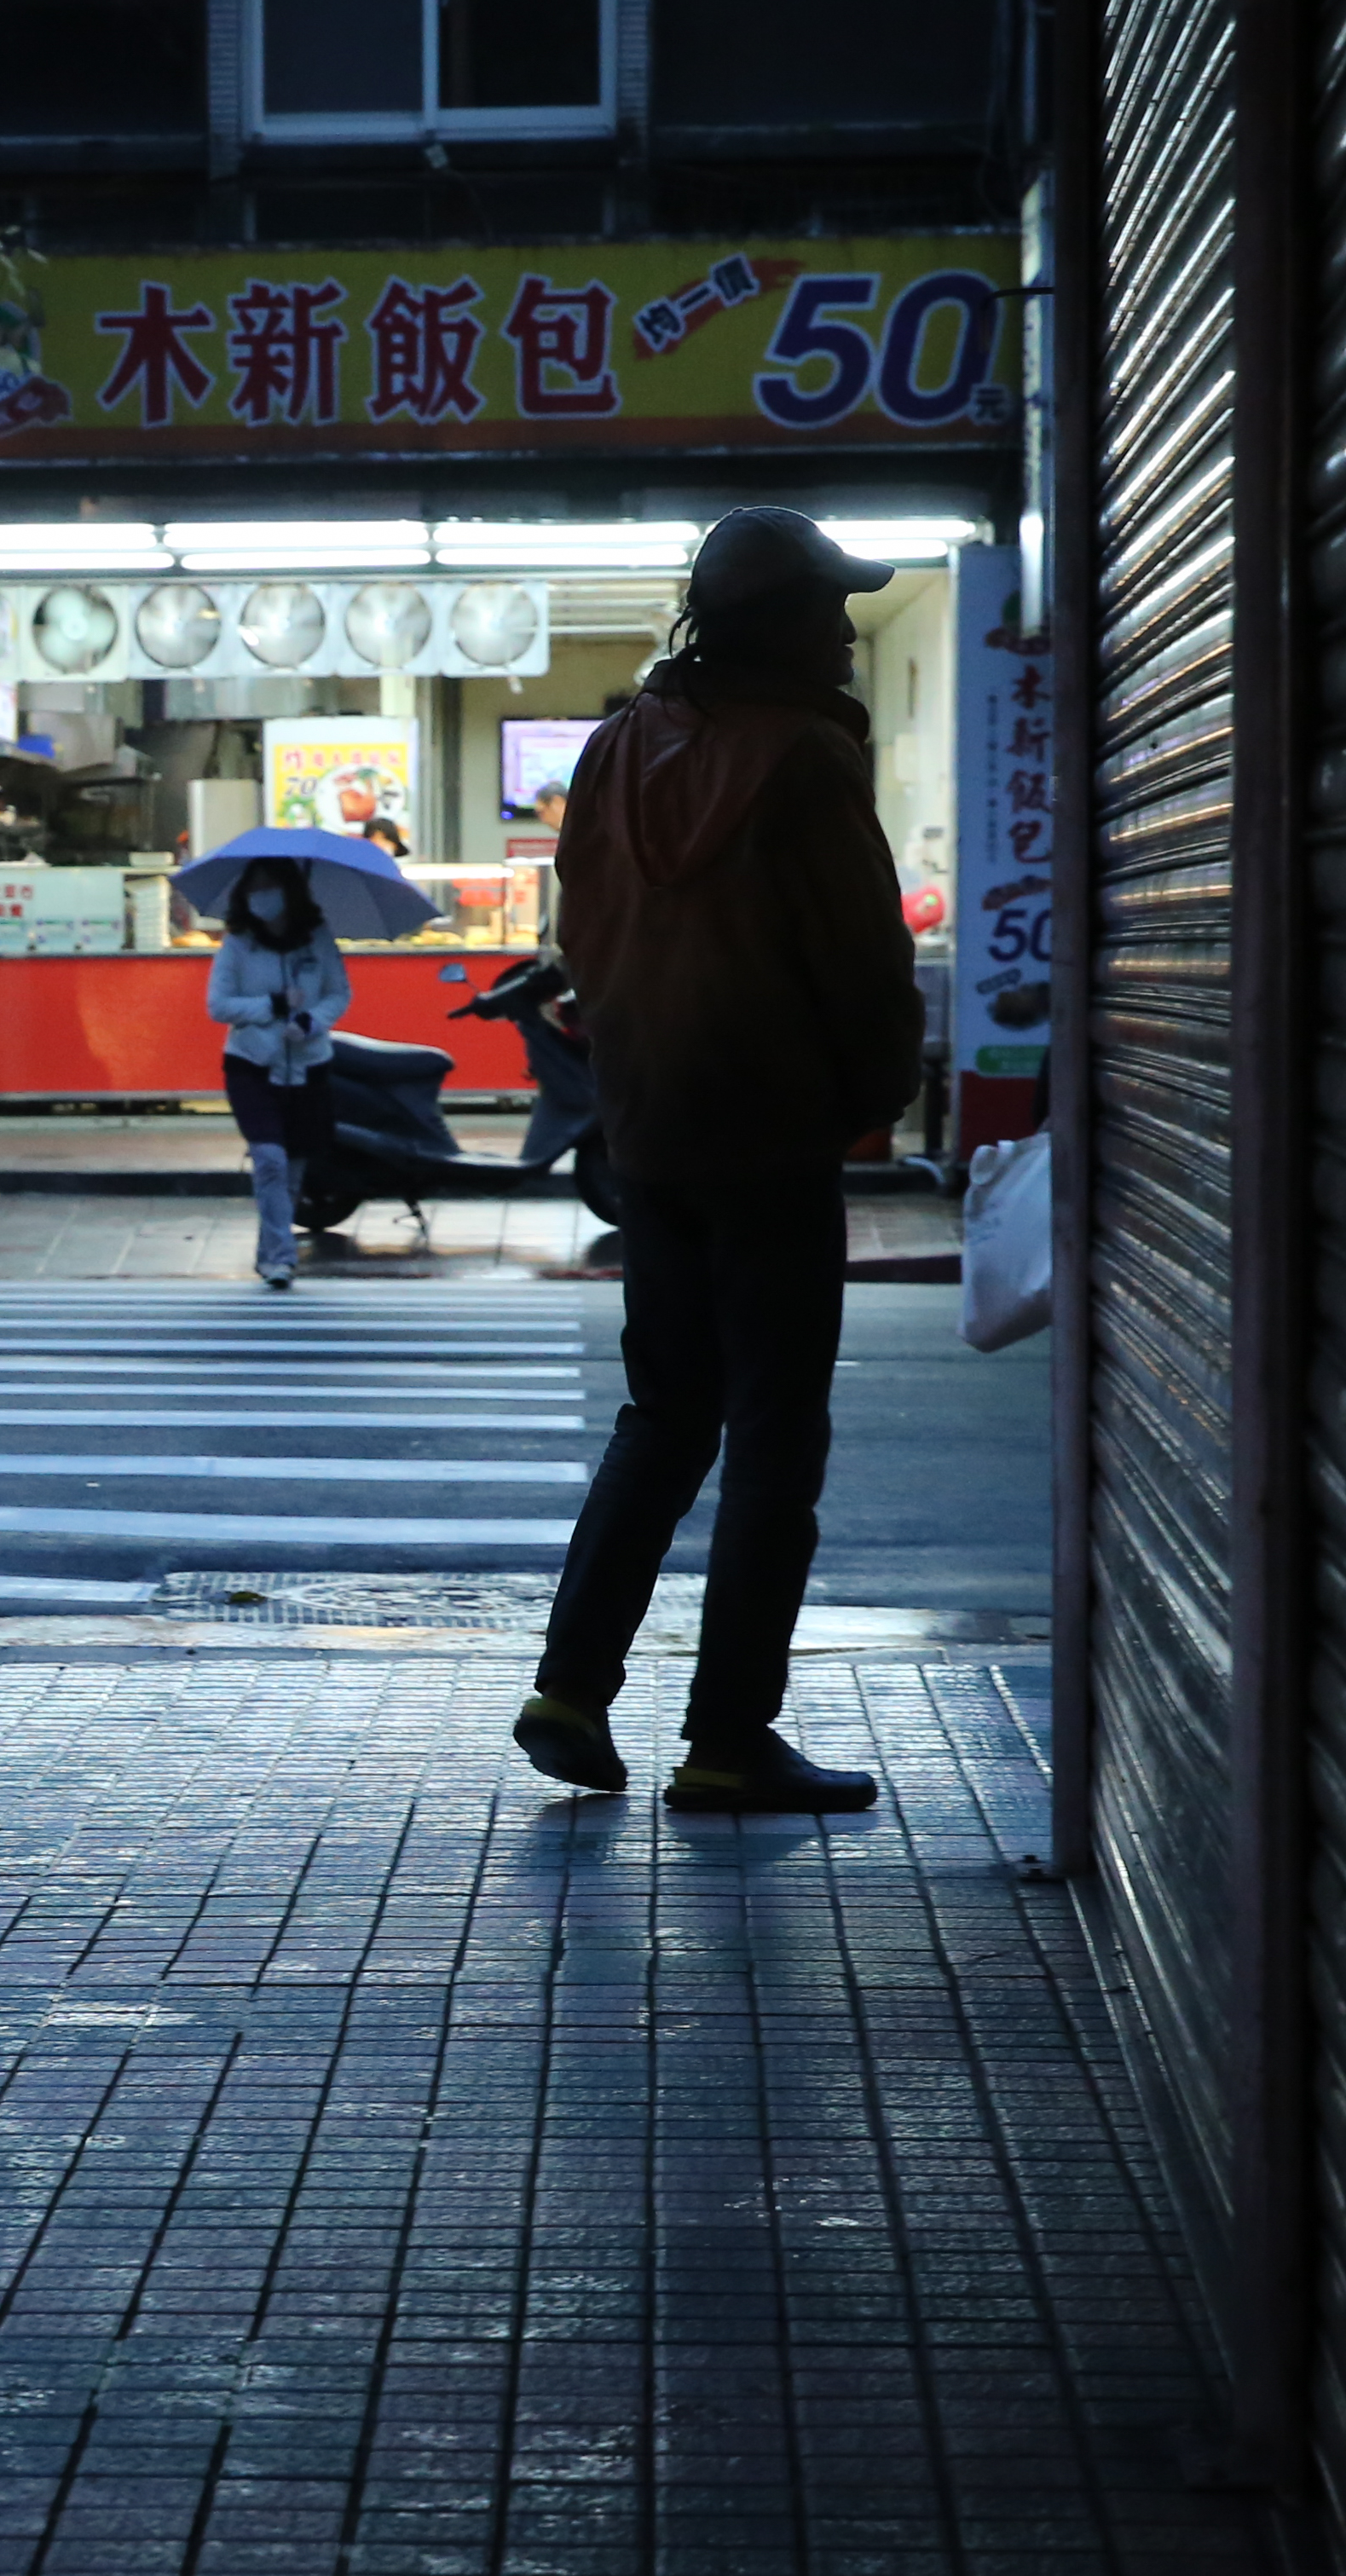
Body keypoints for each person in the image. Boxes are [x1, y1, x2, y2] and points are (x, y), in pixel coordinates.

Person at [514, 506, 921, 1816]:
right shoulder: (803, 757)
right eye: (829, 608)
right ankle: (729, 1733)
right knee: (774, 1438)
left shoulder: (614, 749)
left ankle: (569, 1684)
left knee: (664, 1414)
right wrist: (873, 1097)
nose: (847, 631)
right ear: (780, 624)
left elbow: (583, 937)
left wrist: (628, 1098)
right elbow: (863, 956)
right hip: (771, 1129)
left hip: (650, 1131)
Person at [205, 856, 349, 1289]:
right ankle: (282, 1258)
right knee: (269, 1159)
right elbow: (218, 1005)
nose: (261, 897)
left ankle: (269, 1251)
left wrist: (311, 1021)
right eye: (254, 889)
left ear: (290, 891)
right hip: (252, 1066)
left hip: (308, 1068)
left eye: (270, 887)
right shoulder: (237, 945)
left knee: (292, 1170)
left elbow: (338, 993)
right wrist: (270, 1005)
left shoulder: (317, 941)